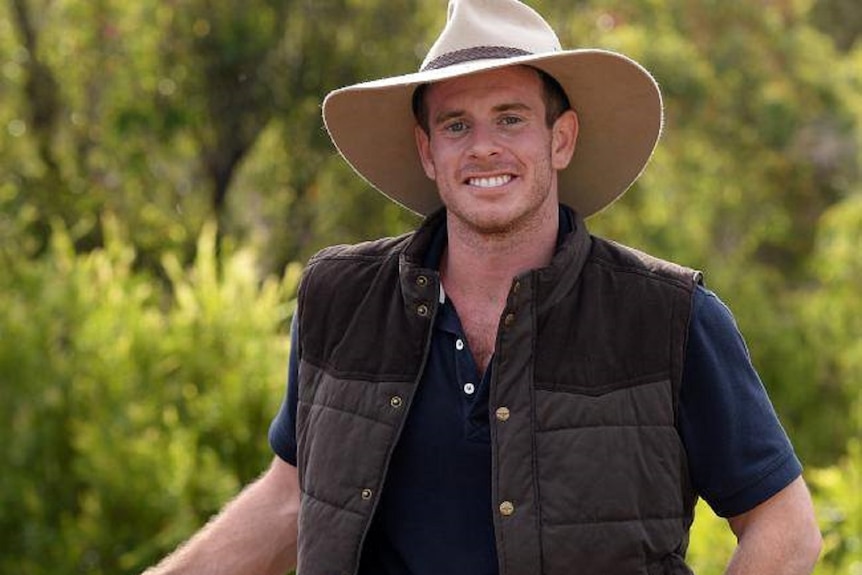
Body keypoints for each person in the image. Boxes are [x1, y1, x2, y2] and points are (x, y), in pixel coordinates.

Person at [142, 1, 823, 574]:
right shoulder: (339, 298)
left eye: (511, 117)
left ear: (562, 139)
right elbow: (290, 496)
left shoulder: (670, 318)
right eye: (456, 124)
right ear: (427, 152)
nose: (483, 147)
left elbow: (785, 526)